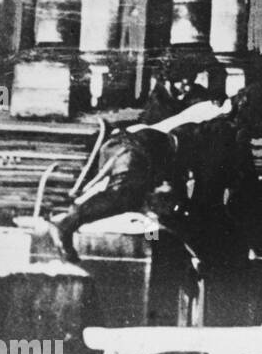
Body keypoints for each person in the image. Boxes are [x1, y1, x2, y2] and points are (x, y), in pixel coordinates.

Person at [49, 97, 232, 261]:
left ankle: (67, 222)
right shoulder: (200, 135)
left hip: (130, 148)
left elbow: (154, 222)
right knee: (123, 197)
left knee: (132, 204)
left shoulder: (148, 208)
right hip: (134, 149)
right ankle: (66, 223)